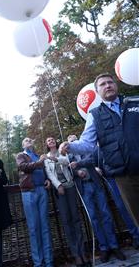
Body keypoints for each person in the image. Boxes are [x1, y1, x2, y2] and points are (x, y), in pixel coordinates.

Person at [59, 73, 139, 226]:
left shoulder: (135, 101)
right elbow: (87, 144)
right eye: (103, 84)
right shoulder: (94, 115)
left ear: (116, 85)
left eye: (110, 82)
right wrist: (70, 146)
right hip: (124, 176)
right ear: (97, 91)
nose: (107, 85)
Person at [68, 151, 126, 263]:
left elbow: (90, 161)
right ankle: (104, 248)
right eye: (70, 140)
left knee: (106, 214)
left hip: (96, 185)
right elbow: (69, 171)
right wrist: (76, 172)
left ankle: (114, 246)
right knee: (93, 218)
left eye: (75, 139)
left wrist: (78, 164)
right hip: (84, 189)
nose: (72, 140)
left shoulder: (86, 152)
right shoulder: (68, 157)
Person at [44, 137, 91, 267]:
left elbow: (67, 162)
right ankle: (76, 255)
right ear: (47, 145)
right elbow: (49, 174)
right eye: (48, 141)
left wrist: (57, 158)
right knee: (66, 221)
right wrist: (58, 185)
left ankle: (83, 252)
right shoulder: (46, 157)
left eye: (52, 139)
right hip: (60, 190)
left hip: (70, 187)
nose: (51, 141)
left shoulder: (62, 153)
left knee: (76, 218)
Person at [16, 137, 53, 267]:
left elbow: (44, 169)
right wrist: (39, 162)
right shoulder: (21, 155)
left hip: (42, 190)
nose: (28, 141)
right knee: (34, 228)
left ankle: (49, 262)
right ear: (23, 145)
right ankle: (39, 263)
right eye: (25, 140)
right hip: (28, 192)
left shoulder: (37, 155)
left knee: (45, 226)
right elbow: (23, 167)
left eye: (30, 140)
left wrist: (47, 179)